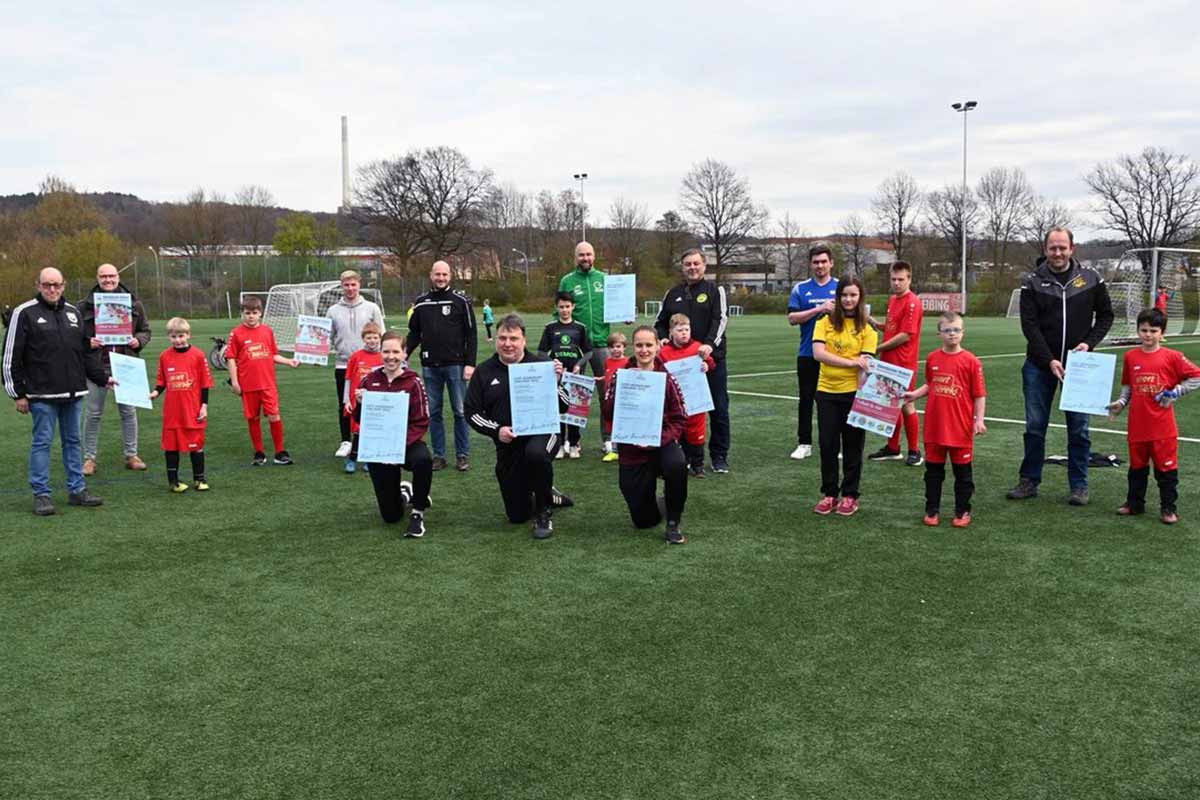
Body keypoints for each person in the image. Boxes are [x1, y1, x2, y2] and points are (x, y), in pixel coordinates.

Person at [1008, 228, 1114, 505]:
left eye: (1062, 247)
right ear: (1045, 249)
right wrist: (1049, 359)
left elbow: (1106, 315)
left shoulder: (1091, 278)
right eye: (1052, 248)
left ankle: (1079, 485)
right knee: (1034, 426)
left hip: (1080, 368)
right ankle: (1029, 480)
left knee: (1079, 428)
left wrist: (1088, 345)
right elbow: (1029, 326)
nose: (1057, 253)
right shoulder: (1031, 281)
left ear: (1072, 248)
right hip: (1039, 365)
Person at [3, 267, 111, 515]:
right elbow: (10, 356)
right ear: (38, 285)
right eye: (46, 284)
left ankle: (77, 490)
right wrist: (18, 394)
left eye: (56, 284)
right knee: (42, 443)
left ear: (64, 285)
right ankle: (41, 494)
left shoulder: (73, 313)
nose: (52, 289)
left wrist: (103, 378)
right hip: (41, 396)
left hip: (73, 394)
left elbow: (83, 353)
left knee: (73, 442)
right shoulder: (24, 313)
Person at [465, 313, 571, 540]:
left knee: (536, 454)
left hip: (543, 434)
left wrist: (557, 382)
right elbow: (471, 412)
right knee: (516, 515)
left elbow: (564, 405)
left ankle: (544, 512)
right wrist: (497, 431)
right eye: (503, 338)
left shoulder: (542, 365)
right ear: (496, 340)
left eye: (513, 338)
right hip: (508, 444)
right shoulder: (484, 371)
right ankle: (546, 491)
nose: (508, 344)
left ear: (523, 340)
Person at [1106, 308, 1200, 525]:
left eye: (1153, 330)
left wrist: (1175, 392)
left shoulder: (1172, 357)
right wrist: (1120, 403)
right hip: (1138, 426)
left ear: (1162, 332)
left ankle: (1168, 508)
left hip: (1163, 428)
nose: (1148, 335)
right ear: (1138, 330)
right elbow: (1128, 386)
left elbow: (1196, 376)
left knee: (1166, 471)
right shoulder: (1131, 356)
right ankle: (1134, 504)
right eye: (1143, 330)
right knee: (1137, 468)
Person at [602, 326, 689, 544]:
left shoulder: (667, 377)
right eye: (639, 345)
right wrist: (621, 386)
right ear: (633, 347)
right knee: (643, 521)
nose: (644, 350)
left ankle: (673, 521)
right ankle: (658, 504)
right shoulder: (622, 376)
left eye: (649, 345)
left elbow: (680, 418)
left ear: (658, 346)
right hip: (631, 447)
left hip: (661, 442)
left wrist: (660, 439)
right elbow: (607, 412)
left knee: (677, 464)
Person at [902, 312, 987, 528]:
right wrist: (914, 394)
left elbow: (979, 394)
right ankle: (932, 510)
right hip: (935, 428)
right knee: (933, 473)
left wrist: (979, 420)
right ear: (940, 333)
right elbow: (931, 384)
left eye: (956, 330)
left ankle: (962, 511)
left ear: (963, 333)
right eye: (948, 330)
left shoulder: (971, 361)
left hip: (960, 428)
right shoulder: (932, 358)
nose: (952, 334)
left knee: (963, 475)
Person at [654, 248, 731, 473]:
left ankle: (719, 456)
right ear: (682, 267)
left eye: (696, 263)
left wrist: (709, 344)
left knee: (718, 409)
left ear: (704, 265)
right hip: (680, 365)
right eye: (688, 264)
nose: (692, 267)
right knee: (679, 410)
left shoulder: (715, 290)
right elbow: (660, 322)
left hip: (709, 361)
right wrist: (662, 338)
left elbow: (721, 319)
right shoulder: (672, 293)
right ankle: (684, 456)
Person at [354, 332, 433, 537]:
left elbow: (422, 420)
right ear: (380, 352)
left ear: (405, 353)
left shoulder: (413, 381)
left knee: (423, 459)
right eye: (386, 351)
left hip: (407, 443)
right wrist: (361, 404)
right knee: (391, 517)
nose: (391, 356)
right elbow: (361, 419)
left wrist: (398, 445)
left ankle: (418, 512)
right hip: (380, 449)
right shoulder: (369, 380)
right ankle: (404, 493)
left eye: (396, 351)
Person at [812, 276, 878, 517]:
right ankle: (829, 494)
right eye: (844, 295)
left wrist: (864, 380)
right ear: (837, 297)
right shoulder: (825, 322)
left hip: (854, 394)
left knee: (853, 446)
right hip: (827, 392)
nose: (848, 299)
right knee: (828, 445)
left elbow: (866, 365)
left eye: (853, 295)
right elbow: (819, 354)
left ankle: (850, 495)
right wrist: (852, 361)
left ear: (860, 298)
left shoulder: (867, 330)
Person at [78, 263, 152, 475]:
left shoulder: (134, 304)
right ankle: (89, 459)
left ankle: (132, 454)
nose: (108, 280)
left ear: (118, 277)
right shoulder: (84, 306)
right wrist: (87, 342)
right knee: (93, 413)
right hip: (96, 366)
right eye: (103, 276)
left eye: (111, 276)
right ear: (97, 278)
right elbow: (74, 336)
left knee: (128, 412)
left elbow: (145, 331)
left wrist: (138, 341)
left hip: (125, 364)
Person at [407, 260, 477, 472]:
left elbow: (471, 334)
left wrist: (470, 364)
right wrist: (404, 353)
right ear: (431, 275)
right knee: (434, 412)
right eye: (437, 274)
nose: (441, 278)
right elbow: (414, 334)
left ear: (450, 276)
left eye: (444, 275)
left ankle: (462, 455)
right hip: (430, 366)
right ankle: (439, 455)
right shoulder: (421, 302)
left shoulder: (460, 301)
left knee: (460, 411)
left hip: (456, 365)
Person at [225, 296, 299, 466]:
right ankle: (259, 452)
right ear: (242, 314)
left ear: (260, 313)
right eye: (247, 313)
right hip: (248, 385)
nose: (251, 316)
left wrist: (289, 361)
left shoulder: (267, 331)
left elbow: (273, 354)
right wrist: (235, 382)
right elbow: (230, 358)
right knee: (253, 418)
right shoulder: (236, 333)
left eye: (254, 312)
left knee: (274, 415)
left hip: (267, 384)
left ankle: (280, 452)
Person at [558, 241, 616, 456]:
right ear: (576, 257)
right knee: (573, 394)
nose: (585, 258)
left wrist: (625, 314)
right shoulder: (567, 280)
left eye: (589, 254)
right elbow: (559, 312)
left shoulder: (604, 279)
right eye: (581, 255)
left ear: (594, 256)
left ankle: (608, 439)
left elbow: (617, 306)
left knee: (606, 393)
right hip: (577, 348)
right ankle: (573, 441)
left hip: (602, 344)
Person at [868, 261, 924, 466]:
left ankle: (915, 451)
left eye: (901, 279)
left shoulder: (913, 302)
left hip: (904, 363)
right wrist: (874, 323)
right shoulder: (893, 300)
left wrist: (878, 348)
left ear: (909, 279)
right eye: (894, 279)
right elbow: (892, 329)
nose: (897, 283)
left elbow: (905, 335)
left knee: (907, 404)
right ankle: (893, 448)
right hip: (888, 361)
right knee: (892, 405)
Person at [149, 317, 213, 493]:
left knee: (196, 445)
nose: (178, 340)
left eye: (181, 336)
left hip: (192, 410)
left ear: (188, 335)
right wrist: (155, 392)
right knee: (171, 446)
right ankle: (174, 482)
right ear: (169, 337)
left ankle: (199, 480)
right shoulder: (164, 356)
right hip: (173, 412)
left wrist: (204, 406)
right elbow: (162, 381)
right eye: (174, 336)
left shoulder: (198, 356)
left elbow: (205, 383)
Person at [787, 243, 839, 460]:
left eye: (824, 261)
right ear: (810, 264)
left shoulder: (841, 286)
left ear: (831, 263)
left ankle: (837, 444)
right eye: (816, 262)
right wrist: (819, 309)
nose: (820, 266)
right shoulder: (800, 288)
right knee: (806, 400)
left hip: (837, 354)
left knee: (837, 400)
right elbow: (792, 318)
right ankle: (804, 443)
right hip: (808, 353)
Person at [327, 269, 385, 460]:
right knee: (345, 403)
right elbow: (324, 336)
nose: (350, 288)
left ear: (359, 285)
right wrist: (312, 350)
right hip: (343, 364)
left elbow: (381, 334)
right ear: (341, 286)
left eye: (353, 284)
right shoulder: (333, 310)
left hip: (370, 365)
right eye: (346, 285)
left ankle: (370, 440)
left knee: (371, 403)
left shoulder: (372, 307)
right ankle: (346, 441)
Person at [659, 313, 715, 478]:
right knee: (675, 432)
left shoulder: (697, 348)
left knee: (696, 434)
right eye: (680, 330)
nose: (684, 333)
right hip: (674, 403)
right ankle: (678, 464)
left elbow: (711, 363)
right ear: (671, 331)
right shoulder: (665, 352)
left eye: (687, 329)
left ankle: (698, 466)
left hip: (696, 401)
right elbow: (659, 369)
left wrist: (706, 365)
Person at [538, 291, 592, 459]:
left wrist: (578, 365)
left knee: (575, 410)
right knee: (558, 410)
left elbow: (589, 352)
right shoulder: (550, 328)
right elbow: (541, 351)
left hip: (575, 374)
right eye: (561, 307)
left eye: (567, 306)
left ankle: (575, 444)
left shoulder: (580, 328)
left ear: (573, 307)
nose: (564, 310)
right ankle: (561, 444)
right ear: (557, 307)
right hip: (557, 375)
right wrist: (553, 363)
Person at [342, 321, 384, 473]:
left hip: (375, 400)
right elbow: (348, 378)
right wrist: (346, 400)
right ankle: (352, 458)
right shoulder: (356, 357)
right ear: (363, 339)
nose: (372, 341)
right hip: (357, 401)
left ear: (379, 338)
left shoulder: (383, 357)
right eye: (368, 338)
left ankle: (369, 459)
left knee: (372, 430)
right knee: (358, 430)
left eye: (375, 338)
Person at [600, 332, 627, 463]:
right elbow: (608, 375)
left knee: (622, 424)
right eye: (612, 347)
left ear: (624, 347)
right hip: (610, 399)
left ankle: (623, 449)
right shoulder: (608, 361)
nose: (615, 349)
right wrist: (600, 379)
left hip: (623, 399)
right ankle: (614, 451)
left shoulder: (628, 362)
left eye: (618, 346)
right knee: (611, 424)